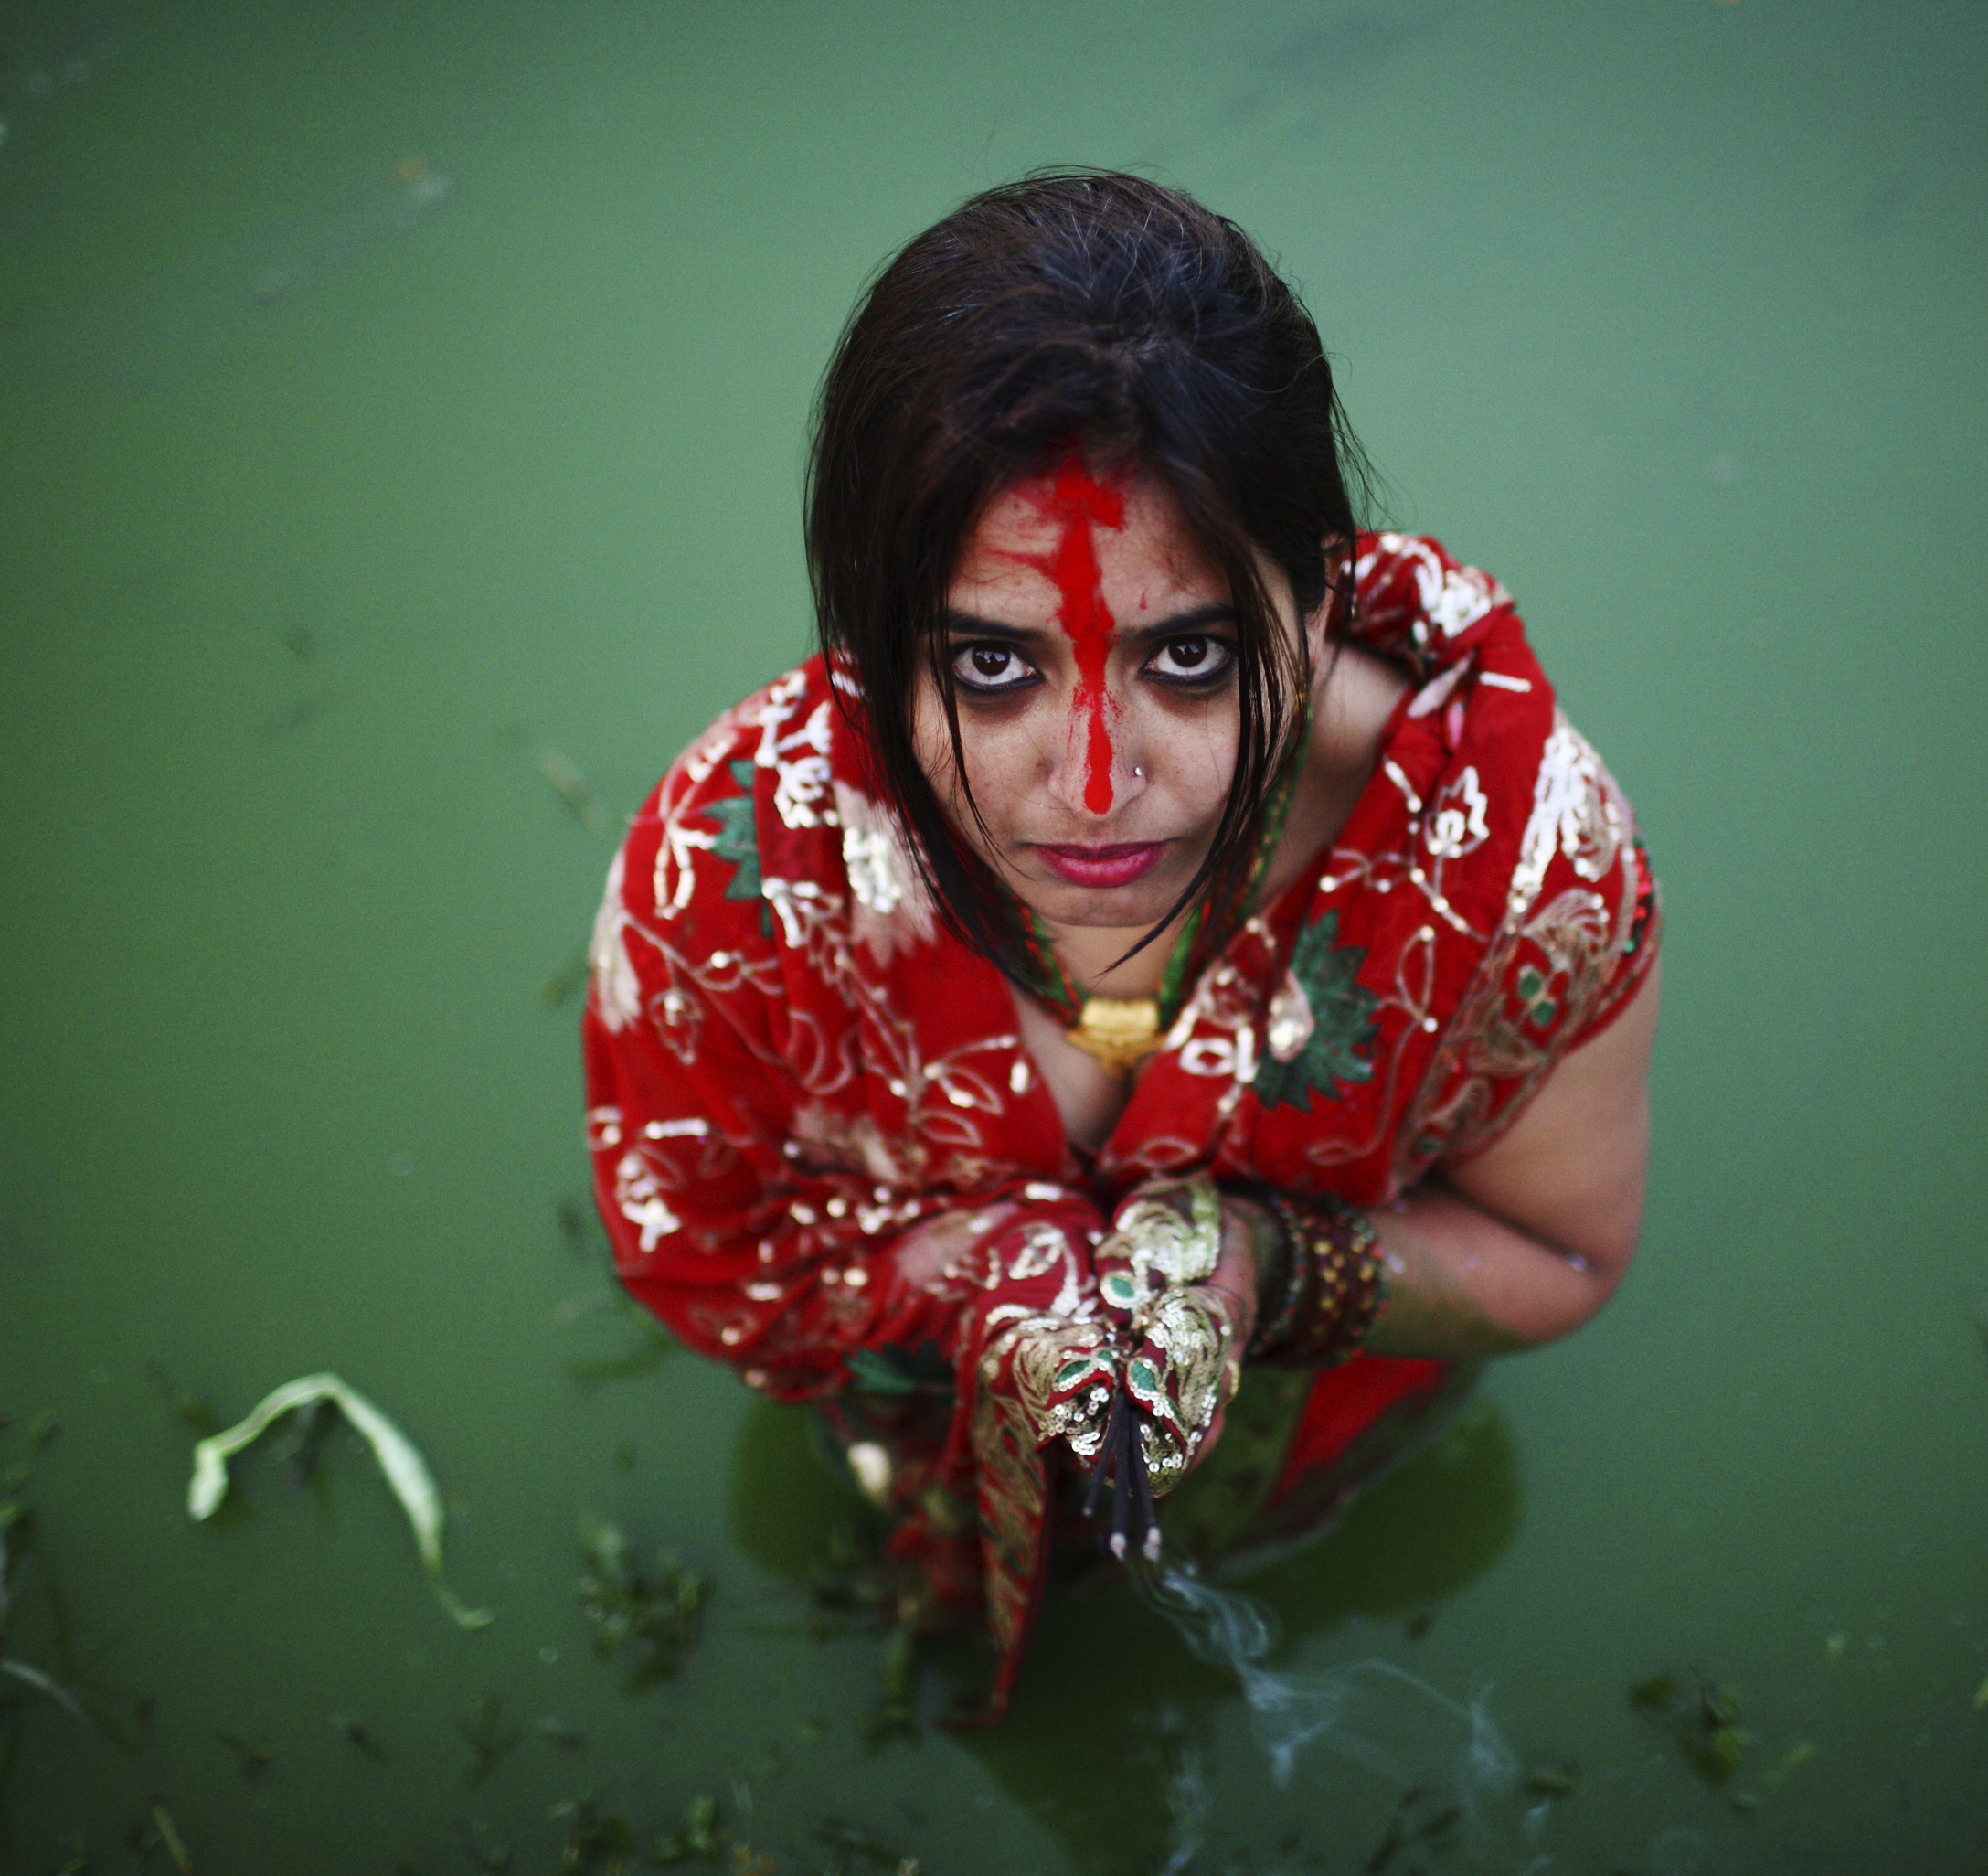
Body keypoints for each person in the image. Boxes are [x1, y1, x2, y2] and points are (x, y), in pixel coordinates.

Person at [581, 170, 1659, 1719]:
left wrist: (1264, 1273)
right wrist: (976, 1280)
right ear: (872, 628)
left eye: (1194, 653)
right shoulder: (739, 879)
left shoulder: (1513, 863)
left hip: (1313, 1487)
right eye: (990, 663)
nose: (1094, 788)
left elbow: (1563, 1253)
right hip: (909, 1478)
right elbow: (694, 1250)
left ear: (1321, 589)